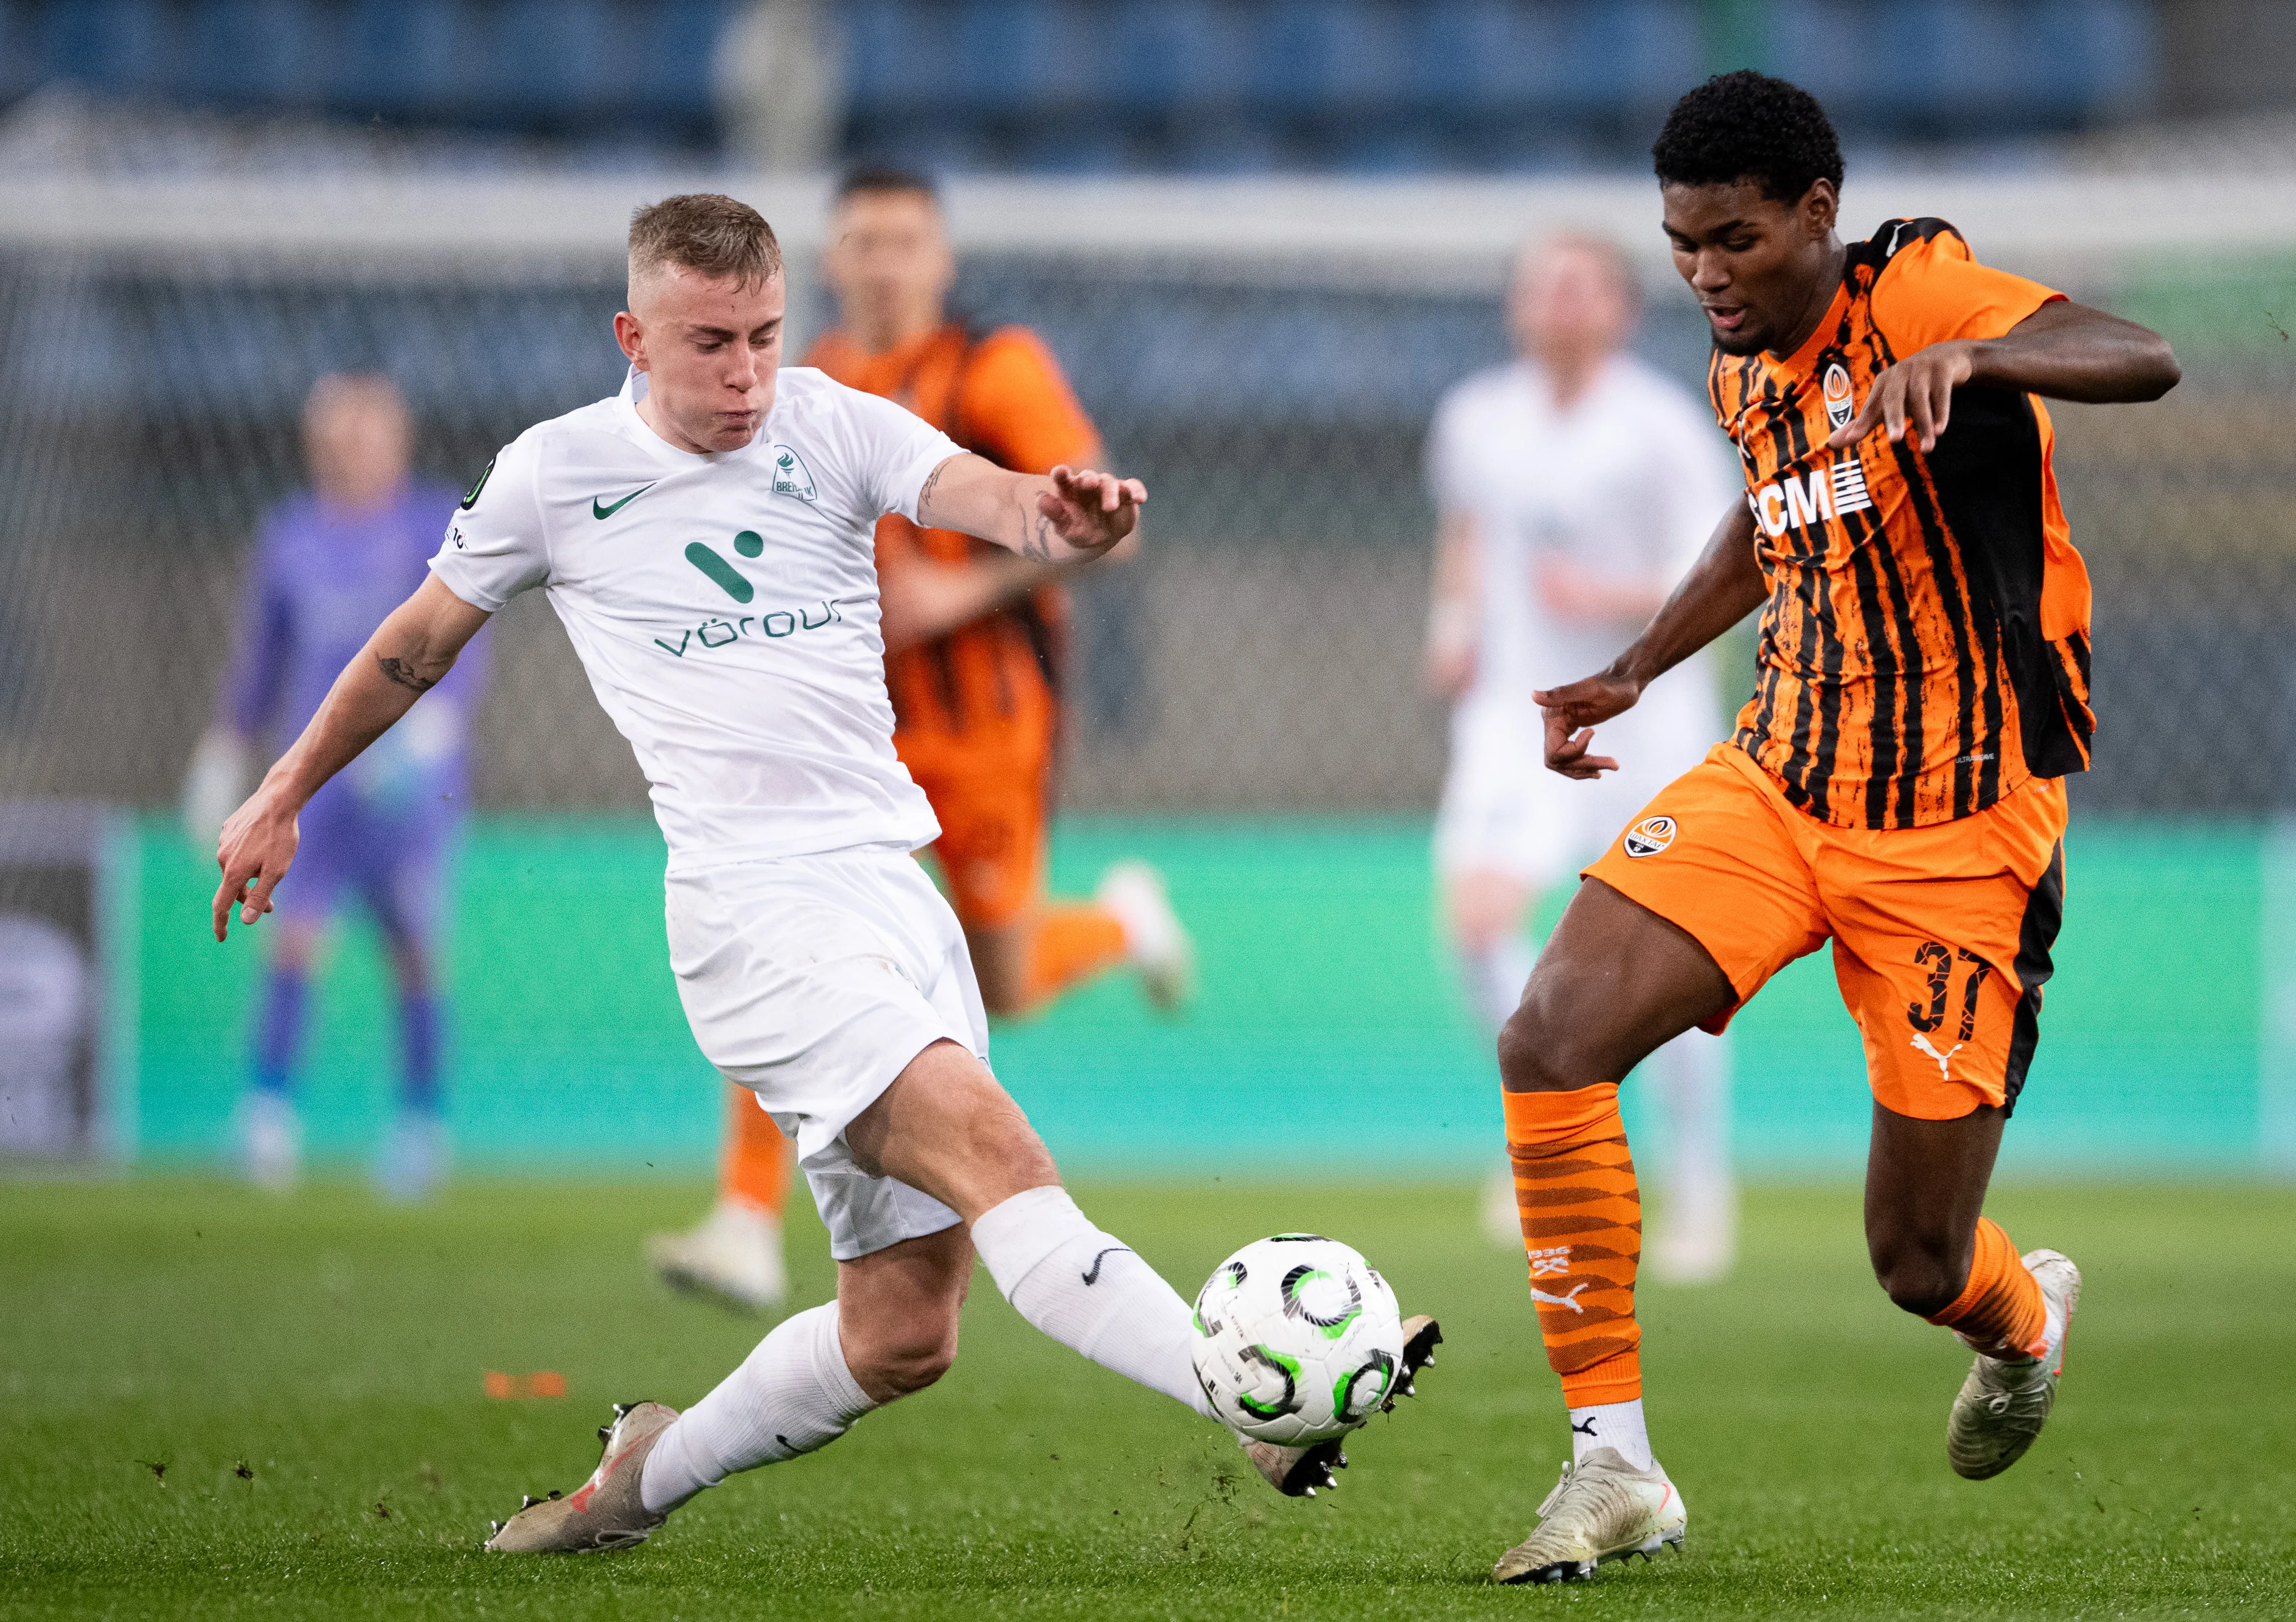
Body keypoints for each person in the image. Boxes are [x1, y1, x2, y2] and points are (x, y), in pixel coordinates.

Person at [209, 195, 1438, 1551]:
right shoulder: (553, 475)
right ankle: (1248, 1398)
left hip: (891, 896)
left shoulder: (832, 420)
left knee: (902, 1332)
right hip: (754, 916)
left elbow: (988, 495)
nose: (746, 373)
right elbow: (415, 645)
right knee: (1002, 1153)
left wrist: (1060, 517)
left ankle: (634, 1484)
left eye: (765, 335)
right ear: (633, 337)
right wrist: (283, 790)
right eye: (711, 343)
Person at [1486, 73, 2180, 1583]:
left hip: (1954, 830)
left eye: (1731, 240)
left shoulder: (1913, 292)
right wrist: (1637, 664)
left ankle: (2023, 1320)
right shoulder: (1743, 360)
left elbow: (2142, 354)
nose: (1704, 273)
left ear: (1815, 213)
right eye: (1680, 246)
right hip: (1778, 779)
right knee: (1547, 1037)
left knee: (1915, 1260)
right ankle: (1613, 1463)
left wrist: (1976, 357)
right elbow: (1770, 513)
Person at [648, 165, 1191, 1314]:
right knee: (796, 939)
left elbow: (1112, 534)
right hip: (853, 738)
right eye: (864, 240)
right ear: (831, 261)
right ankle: (745, 1220)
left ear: (941, 259)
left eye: (906, 241)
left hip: (987, 730)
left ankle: (1121, 926)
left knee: (1008, 981)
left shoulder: (995, 368)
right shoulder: (803, 384)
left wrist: (958, 594)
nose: (885, 262)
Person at [1428, 231, 1739, 1283]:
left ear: (1620, 307)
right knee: (1478, 922)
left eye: (1581, 286)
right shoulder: (1476, 417)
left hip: (1646, 724)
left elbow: (1718, 570)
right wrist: (1452, 623)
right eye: (1542, 285)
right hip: (1517, 717)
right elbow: (1468, 532)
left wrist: (1603, 599)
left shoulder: (1663, 429)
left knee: (1678, 964)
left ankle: (1697, 1179)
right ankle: (1554, 1115)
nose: (1559, 302)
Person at [184, 373, 483, 1200]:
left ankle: (421, 1125)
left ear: (398, 441)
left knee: (415, 950)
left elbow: (463, 634)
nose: (352, 453)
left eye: (367, 436)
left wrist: (433, 726)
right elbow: (264, 657)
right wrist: (224, 747)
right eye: (338, 439)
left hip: (406, 786)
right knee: (293, 937)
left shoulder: (432, 524)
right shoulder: (291, 536)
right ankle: (269, 1114)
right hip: (315, 788)